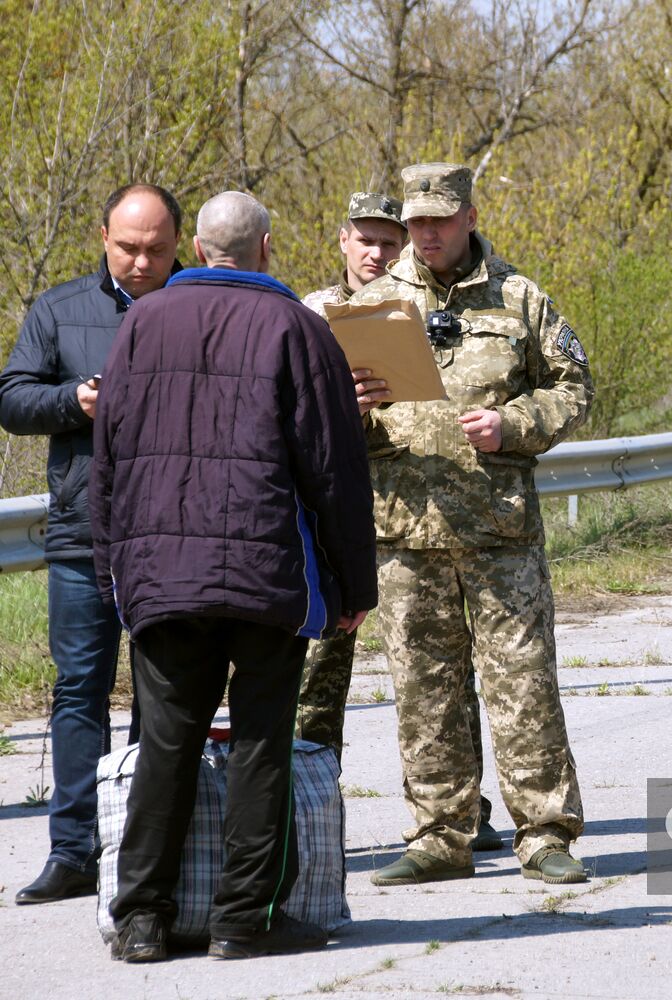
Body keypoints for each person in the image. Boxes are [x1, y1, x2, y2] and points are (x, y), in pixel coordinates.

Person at [89, 190, 378, 961]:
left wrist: (109, 568)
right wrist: (354, 589)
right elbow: (334, 471)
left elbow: (107, 459)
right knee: (259, 744)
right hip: (266, 577)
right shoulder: (298, 329)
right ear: (267, 249)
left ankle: (143, 919)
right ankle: (242, 920)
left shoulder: (142, 324)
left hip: (163, 577)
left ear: (200, 247)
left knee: (166, 744)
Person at [348, 162, 593, 887]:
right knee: (423, 690)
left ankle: (544, 832)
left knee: (521, 684)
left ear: (468, 217)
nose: (425, 234)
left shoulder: (520, 299)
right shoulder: (371, 306)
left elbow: (574, 389)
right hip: (404, 528)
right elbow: (328, 418)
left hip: (497, 530)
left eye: (438, 220)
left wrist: (513, 423)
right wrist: (350, 404)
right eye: (415, 223)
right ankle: (439, 834)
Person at [299, 190, 505, 851]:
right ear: (342, 241)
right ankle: (308, 811)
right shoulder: (309, 314)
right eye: (366, 239)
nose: (377, 251)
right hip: (333, 522)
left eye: (389, 241)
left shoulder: (433, 311)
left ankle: (463, 810)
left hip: (413, 517)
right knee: (315, 673)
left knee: (440, 669)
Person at [0, 184, 182, 906]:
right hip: (84, 534)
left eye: (157, 250)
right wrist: (74, 401)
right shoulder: (57, 308)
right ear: (102, 234)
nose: (141, 263)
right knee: (79, 690)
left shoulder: (193, 305)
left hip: (172, 532)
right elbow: (11, 398)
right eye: (128, 247)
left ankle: (145, 844)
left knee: (159, 693)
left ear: (180, 244)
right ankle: (73, 850)